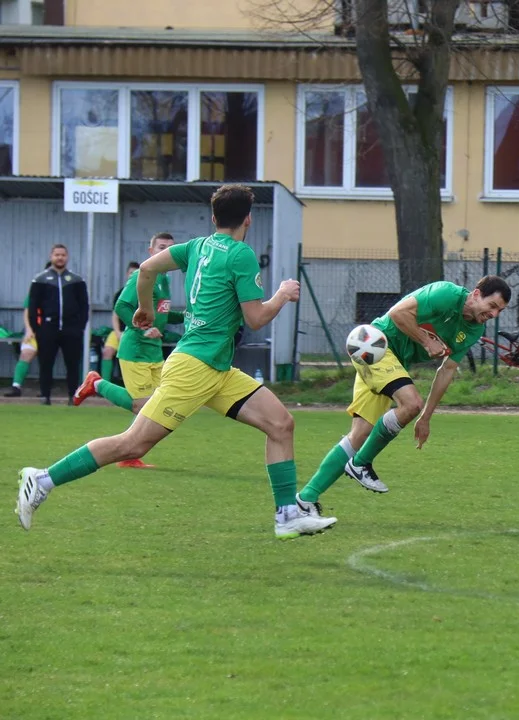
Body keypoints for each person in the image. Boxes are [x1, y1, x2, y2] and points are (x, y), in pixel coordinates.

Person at [15, 184, 336, 540]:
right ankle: (42, 478)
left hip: (216, 369)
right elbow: (256, 319)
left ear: (214, 218)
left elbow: (147, 270)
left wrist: (144, 307)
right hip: (194, 369)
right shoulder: (241, 255)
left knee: (280, 424)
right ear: (249, 219)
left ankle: (287, 515)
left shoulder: (197, 247)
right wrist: (282, 294)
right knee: (133, 444)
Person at [296, 276, 512, 514]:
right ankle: (360, 464)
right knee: (411, 403)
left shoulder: (474, 329)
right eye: (492, 306)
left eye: (499, 311)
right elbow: (398, 313)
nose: (494, 314)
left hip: (392, 362)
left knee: (360, 434)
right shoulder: (446, 294)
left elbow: (447, 370)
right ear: (476, 294)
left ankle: (305, 500)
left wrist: (426, 417)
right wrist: (426, 341)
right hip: (374, 344)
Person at [72, 234, 185, 470]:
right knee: (142, 406)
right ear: (151, 250)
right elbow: (121, 306)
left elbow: (162, 314)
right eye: (162, 247)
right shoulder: (142, 275)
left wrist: (187, 316)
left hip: (154, 352)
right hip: (135, 349)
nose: (167, 252)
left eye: (171, 249)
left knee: (157, 405)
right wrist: (141, 328)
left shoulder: (164, 279)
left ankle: (130, 455)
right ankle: (96, 384)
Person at [27, 245, 89, 404]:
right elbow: (33, 306)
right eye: (57, 255)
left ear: (67, 257)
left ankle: (72, 397)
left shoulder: (76, 280)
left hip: (71, 329)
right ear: (51, 256)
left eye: (62, 255)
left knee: (73, 364)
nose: (60, 258)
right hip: (48, 328)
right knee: (46, 364)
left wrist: (80, 327)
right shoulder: (40, 279)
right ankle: (45, 396)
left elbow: (84, 305)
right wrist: (36, 329)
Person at [4, 271, 47, 398]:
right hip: (34, 331)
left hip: (52, 333)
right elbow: (27, 312)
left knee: (46, 359)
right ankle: (16, 387)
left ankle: (45, 389)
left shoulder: (62, 294)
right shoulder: (35, 293)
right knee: (25, 354)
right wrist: (28, 330)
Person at [101, 261, 141, 383]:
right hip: (120, 331)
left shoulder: (144, 292)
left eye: (136, 273)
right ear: (126, 274)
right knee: (107, 351)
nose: (132, 275)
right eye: (130, 273)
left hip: (137, 332)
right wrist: (118, 332)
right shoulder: (121, 293)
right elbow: (115, 315)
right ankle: (104, 385)